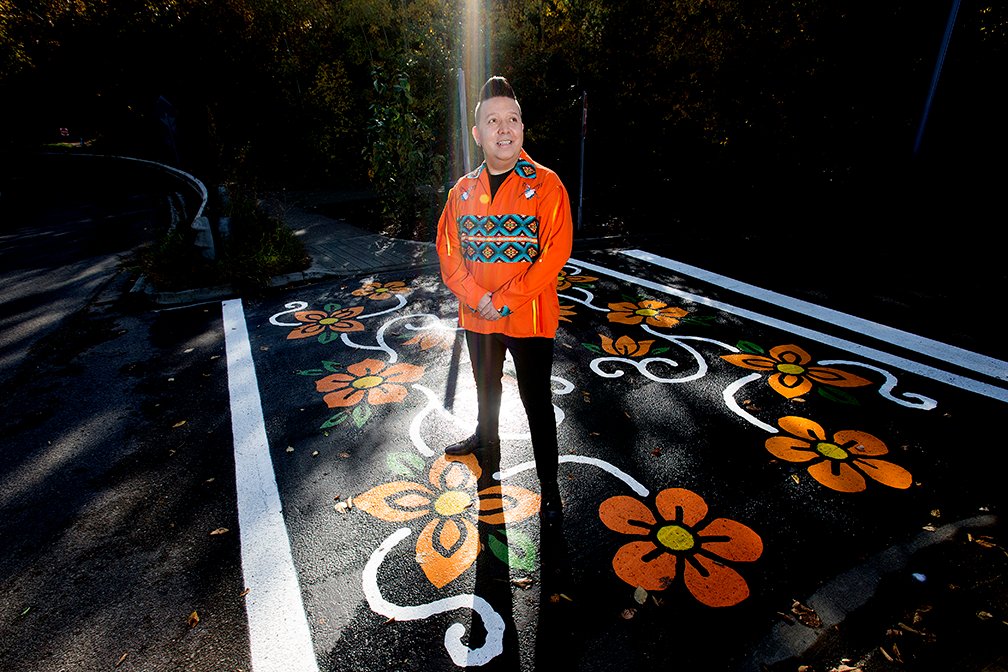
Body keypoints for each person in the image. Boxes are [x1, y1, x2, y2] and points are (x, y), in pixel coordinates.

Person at [435, 75, 573, 525]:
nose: (504, 128)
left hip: (529, 317)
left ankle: (550, 488)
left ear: (522, 128)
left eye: (512, 118)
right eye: (493, 120)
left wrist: (506, 299)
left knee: (536, 401)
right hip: (478, 317)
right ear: (478, 134)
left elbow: (556, 252)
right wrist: (478, 298)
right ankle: (487, 458)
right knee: (486, 390)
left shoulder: (547, 185)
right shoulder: (462, 192)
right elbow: (447, 250)